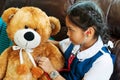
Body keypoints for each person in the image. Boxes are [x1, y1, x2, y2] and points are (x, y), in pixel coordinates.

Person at [35, 1, 115, 80]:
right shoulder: (78, 43)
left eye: (71, 29)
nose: (67, 33)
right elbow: (59, 44)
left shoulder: (103, 62)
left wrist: (51, 71)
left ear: (89, 32)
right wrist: (37, 41)